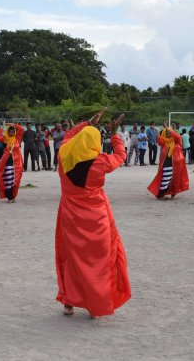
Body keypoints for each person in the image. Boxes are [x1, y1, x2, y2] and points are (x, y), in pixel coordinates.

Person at [55, 110, 131, 318]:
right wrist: (114, 134)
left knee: (71, 258)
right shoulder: (100, 163)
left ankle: (69, 302)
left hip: (70, 216)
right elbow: (121, 155)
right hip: (97, 217)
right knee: (99, 260)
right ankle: (95, 303)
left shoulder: (64, 155)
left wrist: (86, 123)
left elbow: (69, 136)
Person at [148, 122, 190, 200]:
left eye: (169, 132)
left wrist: (167, 128)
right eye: (166, 132)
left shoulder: (177, 141)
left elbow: (178, 137)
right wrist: (158, 134)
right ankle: (161, 194)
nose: (167, 133)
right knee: (165, 178)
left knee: (175, 179)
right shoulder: (165, 143)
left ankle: (173, 194)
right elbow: (160, 142)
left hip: (176, 163)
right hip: (166, 163)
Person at [0, 123, 25, 203]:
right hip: (7, 162)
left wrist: (11, 124)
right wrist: (2, 128)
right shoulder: (4, 139)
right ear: (8, 132)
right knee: (8, 180)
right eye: (10, 131)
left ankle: (13, 196)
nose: (12, 132)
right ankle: (9, 197)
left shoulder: (17, 139)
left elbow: (21, 129)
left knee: (15, 181)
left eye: (13, 131)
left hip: (16, 163)